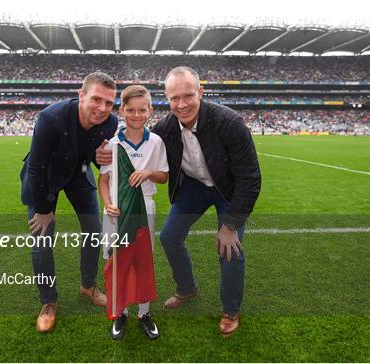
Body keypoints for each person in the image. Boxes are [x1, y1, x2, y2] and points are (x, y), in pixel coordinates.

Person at [96, 66, 261, 337]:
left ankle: (231, 310)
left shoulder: (229, 123)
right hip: (194, 188)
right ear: (167, 99)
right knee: (170, 237)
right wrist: (101, 154)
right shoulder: (165, 129)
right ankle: (187, 289)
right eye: (174, 98)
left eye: (188, 96)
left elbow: (250, 178)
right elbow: (128, 143)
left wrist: (231, 225)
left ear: (201, 93)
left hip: (228, 190)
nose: (181, 104)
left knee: (230, 249)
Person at [20, 72, 118, 333]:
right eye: (96, 99)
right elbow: (36, 168)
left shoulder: (111, 123)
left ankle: (88, 286)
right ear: (81, 95)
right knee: (42, 240)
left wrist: (101, 158)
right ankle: (48, 301)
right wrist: (43, 210)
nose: (102, 108)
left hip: (78, 173)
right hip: (46, 177)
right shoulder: (51, 118)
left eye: (109, 102)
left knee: (93, 231)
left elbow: (98, 159)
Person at [98, 85, 168, 341]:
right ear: (122, 111)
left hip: (145, 209)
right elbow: (103, 181)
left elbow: (164, 176)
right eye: (130, 110)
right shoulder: (112, 144)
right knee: (119, 263)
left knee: (142, 260)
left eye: (142, 109)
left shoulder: (156, 142)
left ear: (150, 110)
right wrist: (107, 203)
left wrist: (148, 173)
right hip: (117, 210)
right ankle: (121, 313)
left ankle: (144, 313)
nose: (136, 115)